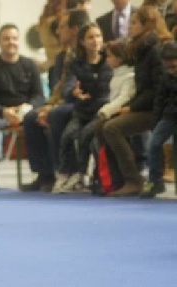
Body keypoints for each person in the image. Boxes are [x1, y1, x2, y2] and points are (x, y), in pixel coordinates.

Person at [97, 5, 173, 196]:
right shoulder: (141, 49)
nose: (129, 27)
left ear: (147, 25)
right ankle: (116, 179)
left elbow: (157, 90)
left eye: (134, 23)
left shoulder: (154, 51)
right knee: (102, 125)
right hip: (145, 105)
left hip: (157, 110)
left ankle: (133, 180)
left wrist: (130, 108)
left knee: (111, 127)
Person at [21, 9, 90, 192]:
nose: (57, 32)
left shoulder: (85, 55)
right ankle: (44, 174)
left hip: (82, 102)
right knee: (31, 117)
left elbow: (78, 87)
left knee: (57, 114)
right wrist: (48, 106)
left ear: (74, 30)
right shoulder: (62, 56)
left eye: (62, 27)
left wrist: (52, 108)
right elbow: (58, 87)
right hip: (63, 101)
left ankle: (67, 171)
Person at [0, 23, 45, 189]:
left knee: (41, 120)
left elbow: (39, 96)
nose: (11, 42)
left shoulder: (30, 65)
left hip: (26, 114)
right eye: (6, 39)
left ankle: (43, 175)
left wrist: (27, 107)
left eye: (14, 38)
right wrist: (3, 111)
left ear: (19, 41)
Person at [52, 22, 112, 193]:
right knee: (67, 136)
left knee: (86, 135)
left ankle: (80, 174)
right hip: (82, 111)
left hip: (101, 112)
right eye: (90, 37)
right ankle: (64, 173)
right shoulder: (76, 64)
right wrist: (74, 91)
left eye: (98, 36)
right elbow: (68, 86)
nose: (95, 40)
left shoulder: (109, 62)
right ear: (82, 42)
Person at [140, 41, 177, 197]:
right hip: (169, 115)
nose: (170, 71)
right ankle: (155, 181)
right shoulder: (164, 76)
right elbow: (159, 100)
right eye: (167, 67)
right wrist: (155, 123)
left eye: (174, 67)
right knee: (154, 143)